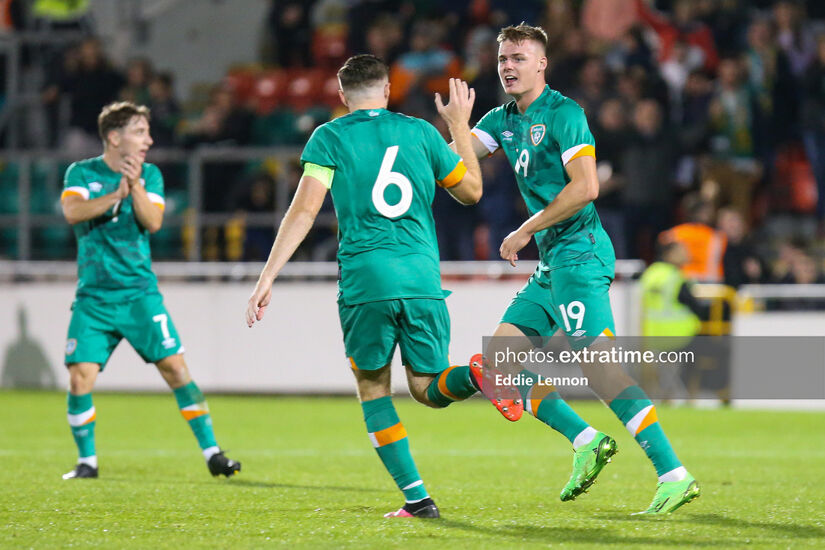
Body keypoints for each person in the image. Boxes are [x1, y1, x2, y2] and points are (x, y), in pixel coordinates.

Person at [246, 55, 501, 519]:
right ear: (387, 91)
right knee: (428, 387)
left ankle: (417, 500)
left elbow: (304, 211)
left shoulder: (330, 137)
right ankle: (477, 376)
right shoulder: (423, 133)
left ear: (342, 97)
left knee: (373, 388)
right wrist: (460, 126)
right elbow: (471, 192)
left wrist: (267, 275)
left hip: (367, 280)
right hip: (423, 278)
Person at [465, 23, 700, 515]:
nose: (508, 66)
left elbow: (587, 186)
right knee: (499, 364)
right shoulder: (500, 119)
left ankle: (674, 474)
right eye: (503, 58)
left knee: (600, 367)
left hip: (579, 253)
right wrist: (453, 125)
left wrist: (527, 226)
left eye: (519, 58)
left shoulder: (564, 113)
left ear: (541, 64)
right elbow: (457, 170)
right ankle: (587, 440)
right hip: (554, 262)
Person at [59, 102, 240, 480]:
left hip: (139, 294)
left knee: (175, 368)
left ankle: (213, 453)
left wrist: (135, 186)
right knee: (80, 378)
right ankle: (87, 463)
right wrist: (116, 195)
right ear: (114, 137)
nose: (149, 140)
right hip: (94, 299)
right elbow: (73, 212)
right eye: (140, 132)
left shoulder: (151, 175)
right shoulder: (81, 172)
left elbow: (154, 221)